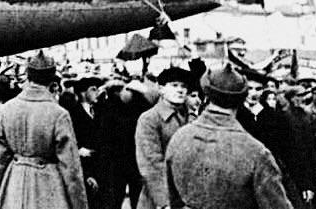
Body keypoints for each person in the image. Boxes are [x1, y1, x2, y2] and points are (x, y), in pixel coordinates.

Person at [166, 63, 292, 208]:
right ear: (241, 98)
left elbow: (173, 198)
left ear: (207, 94)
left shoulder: (179, 138)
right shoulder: (255, 152)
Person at [0, 51, 87, 209]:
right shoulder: (58, 114)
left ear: (28, 76)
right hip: (48, 186)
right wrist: (80, 204)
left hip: (14, 183)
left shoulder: (8, 109)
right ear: (52, 79)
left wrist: (0, 194)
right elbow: (71, 167)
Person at [135, 67, 190, 209]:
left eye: (184, 86)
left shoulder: (190, 117)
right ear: (161, 89)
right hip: (159, 198)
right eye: (174, 85)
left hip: (188, 196)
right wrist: (164, 202)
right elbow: (151, 163)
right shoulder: (150, 119)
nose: (180, 90)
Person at [99, 80, 151, 209]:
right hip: (134, 161)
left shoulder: (119, 109)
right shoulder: (144, 110)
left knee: (117, 196)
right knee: (135, 196)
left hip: (121, 161)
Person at [67, 76, 104, 208]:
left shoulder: (100, 111)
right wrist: (79, 151)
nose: (97, 92)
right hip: (83, 169)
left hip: (101, 168)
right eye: (93, 89)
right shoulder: (72, 114)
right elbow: (68, 143)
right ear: (83, 93)